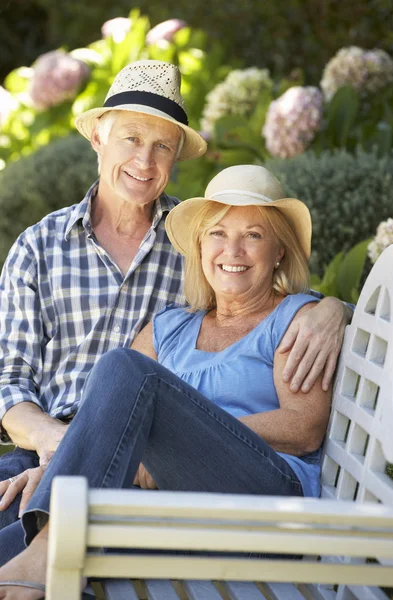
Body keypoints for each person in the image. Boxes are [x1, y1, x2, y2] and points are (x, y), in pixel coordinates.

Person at [0, 60, 349, 565]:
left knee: (121, 373)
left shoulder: (205, 251)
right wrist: (62, 452)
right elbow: (9, 381)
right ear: (98, 136)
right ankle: (41, 550)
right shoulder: (42, 249)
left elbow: (279, 313)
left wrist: (336, 307)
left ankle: (47, 548)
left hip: (177, 477)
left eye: (162, 145)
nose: (144, 160)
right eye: (131, 138)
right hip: (68, 447)